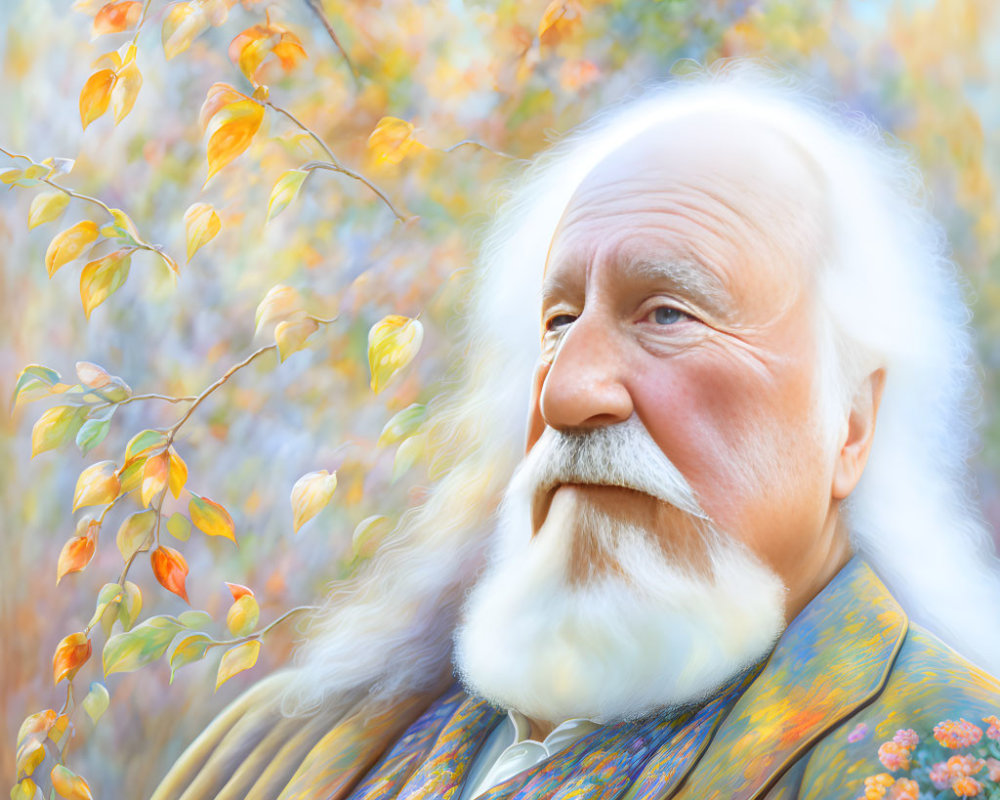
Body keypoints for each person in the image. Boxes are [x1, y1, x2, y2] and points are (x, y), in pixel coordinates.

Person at [151, 64, 1000, 800]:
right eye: (559, 322)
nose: (565, 393)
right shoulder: (280, 745)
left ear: (852, 421)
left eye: (666, 313)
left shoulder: (938, 759)